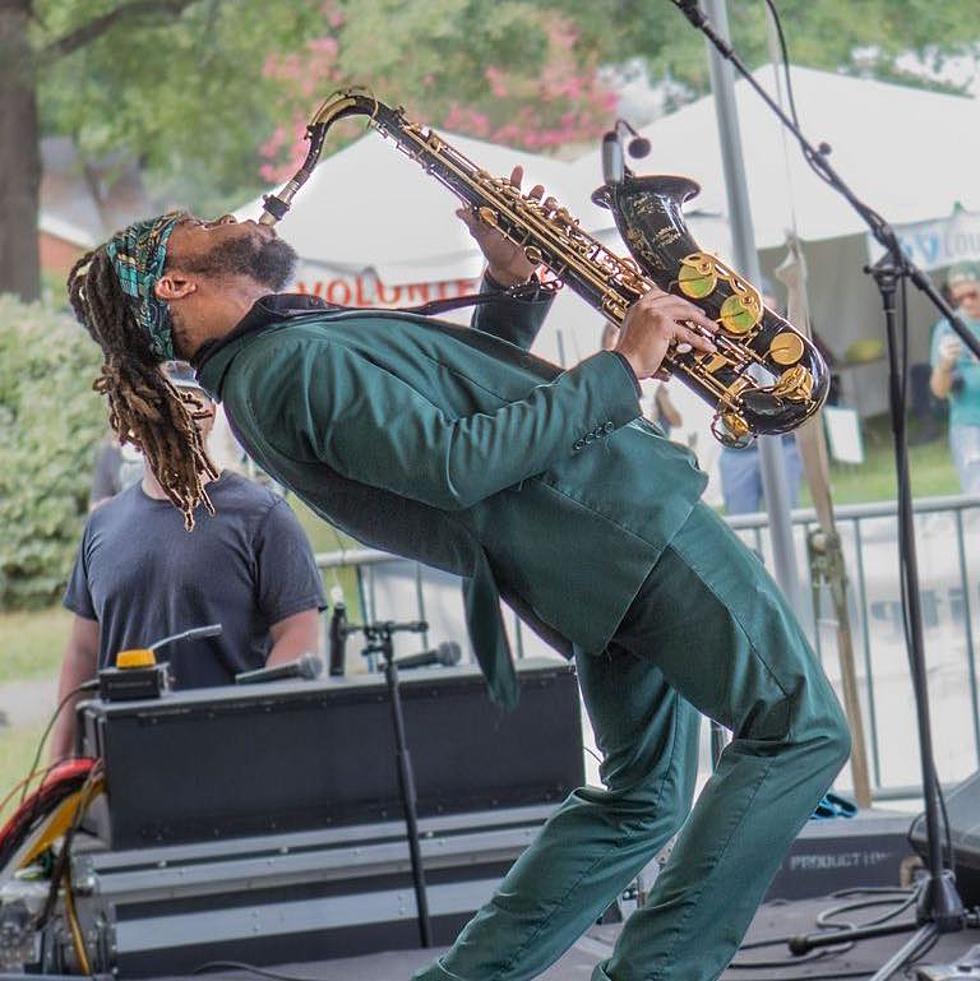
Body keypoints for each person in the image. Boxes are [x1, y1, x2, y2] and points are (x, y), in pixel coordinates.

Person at [66, 172, 849, 981]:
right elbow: (458, 465)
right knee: (800, 728)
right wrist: (620, 368)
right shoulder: (284, 367)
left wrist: (508, 288)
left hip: (589, 555)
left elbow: (464, 410)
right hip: (624, 525)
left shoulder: (278, 354)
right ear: (175, 280)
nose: (227, 217)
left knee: (642, 798)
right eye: (196, 223)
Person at [50, 361, 326, 762]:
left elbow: (299, 635)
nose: (167, 418)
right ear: (129, 425)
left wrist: (251, 728)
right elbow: (83, 652)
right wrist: (59, 765)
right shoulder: (102, 526)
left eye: (184, 402)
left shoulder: (262, 516)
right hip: (125, 767)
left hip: (232, 764)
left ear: (210, 413)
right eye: (152, 406)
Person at [717, 282, 805, 515]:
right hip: (739, 452)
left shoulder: (788, 349)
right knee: (743, 530)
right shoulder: (722, 344)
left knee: (789, 521)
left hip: (782, 447)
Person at [930, 261, 980, 495]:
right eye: (959, 298)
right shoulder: (947, 329)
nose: (967, 302)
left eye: (973, 294)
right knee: (976, 496)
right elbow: (939, 391)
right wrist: (944, 366)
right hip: (969, 425)